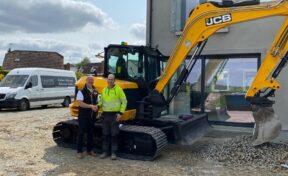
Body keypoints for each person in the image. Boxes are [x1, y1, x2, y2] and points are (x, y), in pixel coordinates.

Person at [97, 74, 127, 160]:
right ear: (107, 80)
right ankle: (105, 152)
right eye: (109, 79)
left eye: (112, 79)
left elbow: (124, 101)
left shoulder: (118, 90)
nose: (110, 81)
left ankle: (113, 153)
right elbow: (101, 102)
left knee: (114, 135)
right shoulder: (104, 90)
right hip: (105, 115)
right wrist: (97, 107)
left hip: (114, 115)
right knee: (105, 134)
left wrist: (120, 113)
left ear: (114, 81)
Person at [76, 76, 98, 159]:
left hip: (92, 116)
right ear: (86, 81)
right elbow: (80, 103)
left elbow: (97, 102)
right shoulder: (81, 92)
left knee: (90, 134)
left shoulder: (95, 91)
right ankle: (79, 151)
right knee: (81, 133)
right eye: (89, 80)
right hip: (83, 116)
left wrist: (97, 107)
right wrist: (91, 106)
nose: (91, 81)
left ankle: (90, 150)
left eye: (92, 80)